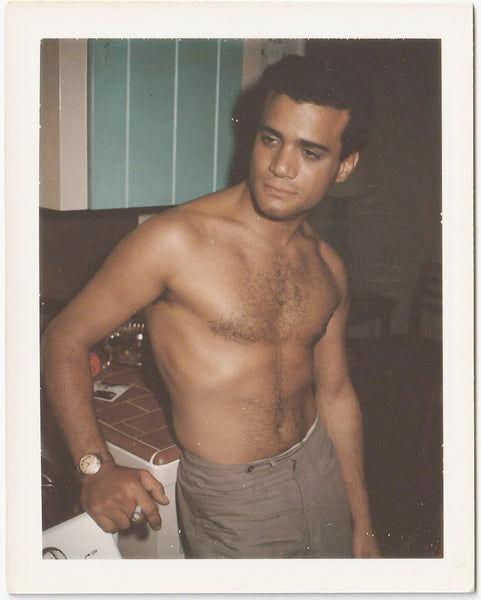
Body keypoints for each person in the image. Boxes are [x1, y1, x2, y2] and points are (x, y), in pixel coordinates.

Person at [41, 54, 380, 558]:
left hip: (320, 470)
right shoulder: (176, 240)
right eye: (271, 139)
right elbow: (63, 338)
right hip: (233, 499)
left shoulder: (327, 266)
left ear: (345, 165)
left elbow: (335, 393)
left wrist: (363, 523)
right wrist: (96, 467)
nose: (281, 167)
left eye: (310, 152)